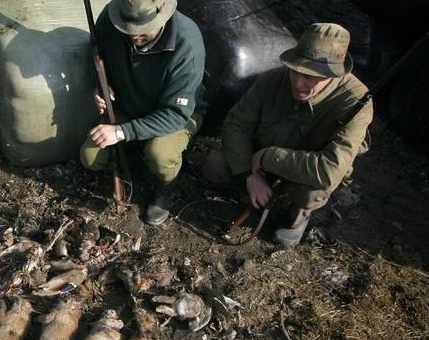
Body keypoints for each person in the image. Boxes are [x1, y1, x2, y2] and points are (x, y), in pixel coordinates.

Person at [202, 22, 373, 246]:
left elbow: (330, 170)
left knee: (310, 193)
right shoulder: (273, 79)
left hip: (302, 173)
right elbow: (236, 123)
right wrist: (248, 175)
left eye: (310, 77)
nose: (298, 83)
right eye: (296, 71)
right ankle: (257, 191)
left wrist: (268, 157)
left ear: (333, 76)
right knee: (214, 167)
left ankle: (296, 214)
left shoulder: (356, 103)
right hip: (258, 161)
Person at [80, 0, 206, 225]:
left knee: (159, 154)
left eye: (141, 31)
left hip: (175, 116)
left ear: (162, 17)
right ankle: (136, 154)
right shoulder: (113, 18)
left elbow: (176, 114)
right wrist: (100, 85)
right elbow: (96, 50)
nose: (133, 36)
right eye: (127, 30)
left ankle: (167, 185)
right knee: (90, 158)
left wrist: (120, 132)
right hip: (129, 107)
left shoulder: (188, 44)